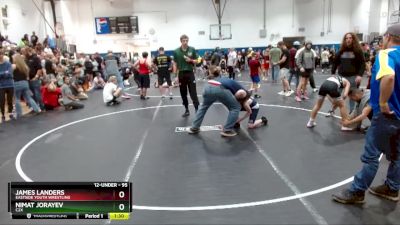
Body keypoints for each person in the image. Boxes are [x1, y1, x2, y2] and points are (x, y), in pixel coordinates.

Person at [332, 24, 400, 204]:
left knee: (371, 155)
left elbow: (389, 77)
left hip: (387, 115)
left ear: (387, 37)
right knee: (398, 155)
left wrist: (384, 102)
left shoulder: (386, 54)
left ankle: (357, 191)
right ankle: (392, 188)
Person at [188, 66, 245, 137]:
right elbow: (241, 90)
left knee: (203, 107)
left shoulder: (210, 78)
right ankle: (227, 130)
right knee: (235, 107)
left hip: (207, 88)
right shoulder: (224, 79)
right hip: (219, 89)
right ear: (220, 72)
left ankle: (194, 128)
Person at [332, 32, 366, 112]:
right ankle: (332, 109)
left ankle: (351, 112)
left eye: (350, 38)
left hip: (353, 77)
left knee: (353, 96)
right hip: (341, 76)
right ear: (344, 40)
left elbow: (362, 64)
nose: (348, 40)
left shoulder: (358, 51)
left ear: (353, 39)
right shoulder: (341, 50)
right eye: (346, 38)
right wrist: (333, 73)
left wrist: (360, 75)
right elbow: (335, 62)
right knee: (337, 95)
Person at [173, 34, 200, 117]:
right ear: (181, 41)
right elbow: (175, 63)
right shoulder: (176, 51)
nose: (185, 42)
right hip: (181, 74)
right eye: (184, 41)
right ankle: (187, 110)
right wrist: (175, 76)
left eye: (186, 40)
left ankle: (197, 109)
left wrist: (191, 60)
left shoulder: (192, 49)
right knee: (183, 93)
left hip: (190, 73)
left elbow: (198, 60)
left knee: (193, 93)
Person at [12, 53, 41, 118]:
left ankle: (19, 114)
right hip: (25, 83)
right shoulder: (25, 66)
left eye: (13, 58)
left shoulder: (14, 66)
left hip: (17, 83)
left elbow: (10, 75)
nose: (12, 60)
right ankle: (37, 109)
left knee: (16, 99)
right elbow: (27, 77)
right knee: (28, 97)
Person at [0, 48, 14, 122]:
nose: (0, 56)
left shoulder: (8, 64)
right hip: (1, 86)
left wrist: (3, 74)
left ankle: (11, 113)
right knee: (1, 101)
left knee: (10, 100)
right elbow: (6, 73)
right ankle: (3, 115)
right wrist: (4, 73)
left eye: (1, 54)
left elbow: (10, 74)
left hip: (9, 84)